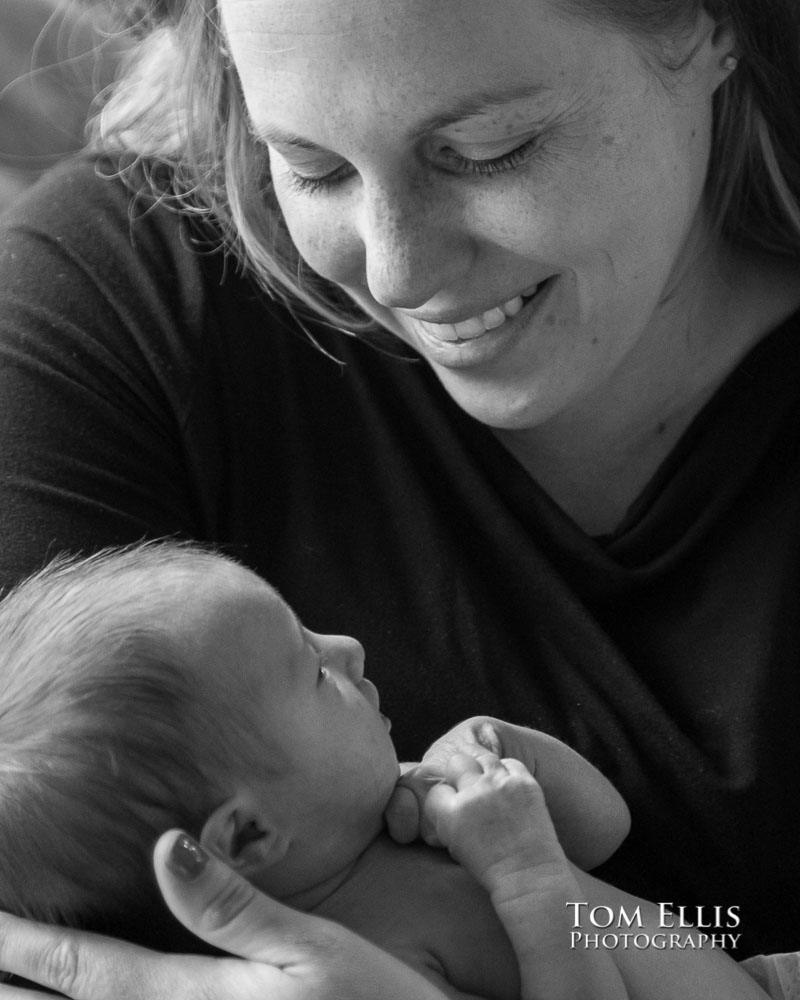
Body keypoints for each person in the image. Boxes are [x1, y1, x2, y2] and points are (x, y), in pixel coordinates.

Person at [0, 0, 798, 994]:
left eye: (485, 148)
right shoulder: (114, 303)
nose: (396, 271)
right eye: (308, 165)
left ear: (714, 25)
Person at [0, 541, 771, 999]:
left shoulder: (389, 798)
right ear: (248, 832)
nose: (347, 647)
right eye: (310, 670)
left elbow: (605, 829)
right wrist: (527, 872)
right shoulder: (375, 958)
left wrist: (509, 758)